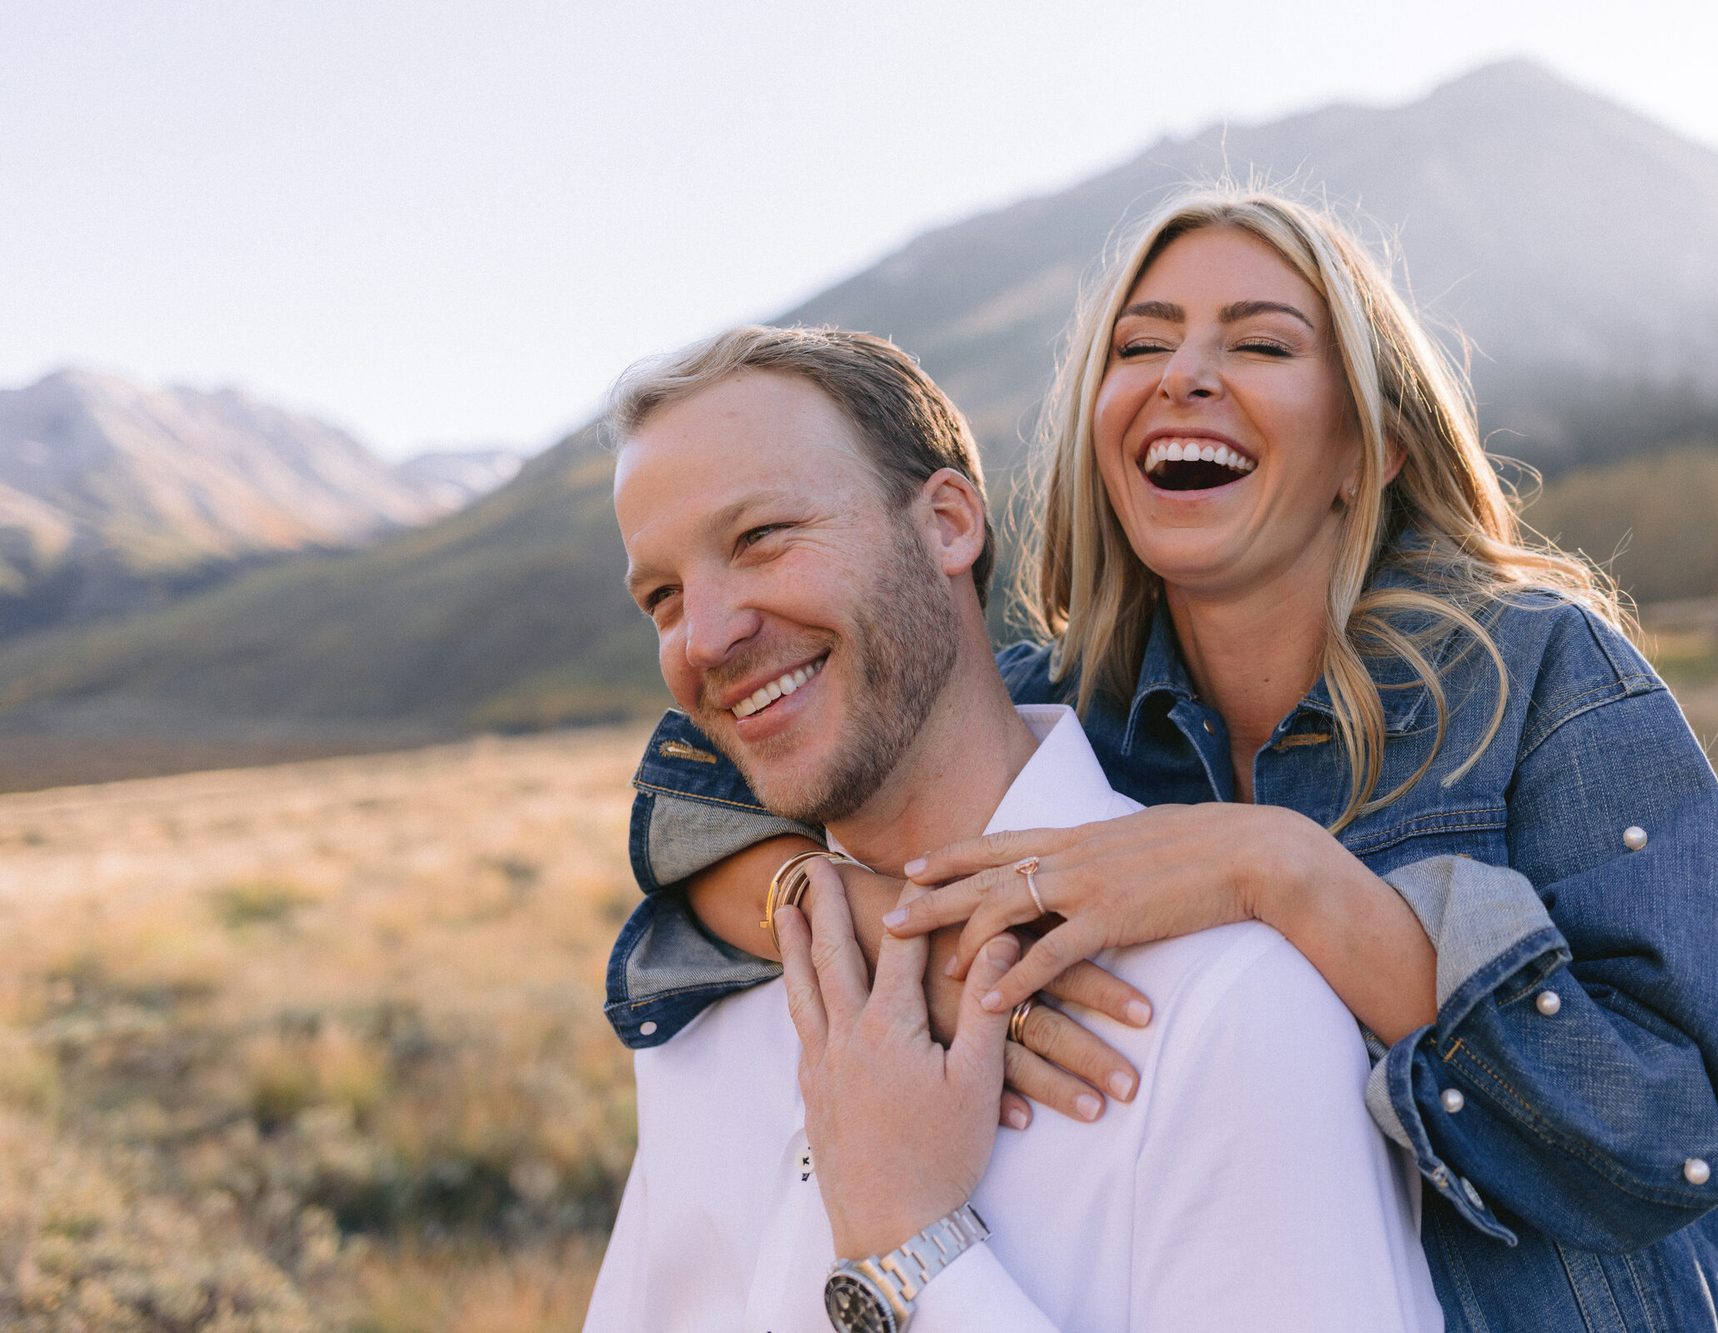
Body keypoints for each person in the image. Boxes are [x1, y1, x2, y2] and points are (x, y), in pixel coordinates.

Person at [611, 187, 1718, 1331]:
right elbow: (701, 779)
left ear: (1370, 446)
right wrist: (865, 914)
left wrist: (1278, 870)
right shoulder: (1064, 695)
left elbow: (1671, 1135)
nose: (1183, 373)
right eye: (1139, 344)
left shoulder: (1541, 679)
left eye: (1259, 342)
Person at [586, 325, 1442, 1331]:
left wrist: (912, 1250)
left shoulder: (1226, 1005)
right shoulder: (709, 1009)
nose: (708, 634)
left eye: (761, 536)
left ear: (947, 523)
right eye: (662, 596)